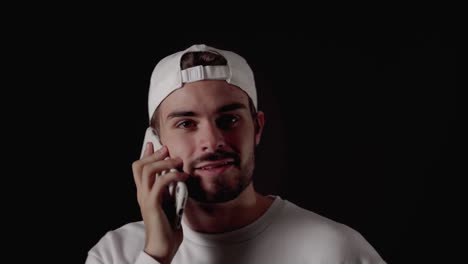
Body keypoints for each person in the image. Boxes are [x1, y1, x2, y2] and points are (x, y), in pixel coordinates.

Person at [85, 44, 387, 264]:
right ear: (154, 140)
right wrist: (157, 255)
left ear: (257, 128)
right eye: (186, 123)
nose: (212, 141)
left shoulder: (335, 251)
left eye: (229, 120)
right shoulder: (116, 254)